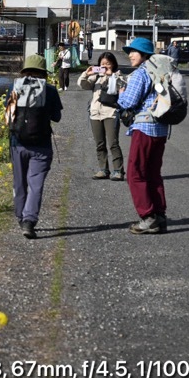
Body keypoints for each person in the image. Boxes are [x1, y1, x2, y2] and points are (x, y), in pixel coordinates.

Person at [6, 53, 63, 239]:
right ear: (44, 72)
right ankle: (29, 221)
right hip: (41, 145)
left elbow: (8, 115)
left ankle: (20, 216)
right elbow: (57, 117)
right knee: (35, 184)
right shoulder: (50, 90)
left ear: (24, 71)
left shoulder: (14, 88)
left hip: (17, 144)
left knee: (19, 183)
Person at [117, 37, 170, 235]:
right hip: (161, 128)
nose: (130, 55)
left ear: (144, 54)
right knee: (153, 173)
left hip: (144, 127)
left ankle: (148, 217)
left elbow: (128, 102)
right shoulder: (163, 71)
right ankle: (160, 215)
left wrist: (121, 93)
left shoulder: (141, 72)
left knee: (135, 173)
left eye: (133, 51)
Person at [76, 51, 125, 181]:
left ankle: (118, 170)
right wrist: (86, 73)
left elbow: (122, 87)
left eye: (108, 63)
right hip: (95, 113)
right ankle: (103, 169)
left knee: (113, 143)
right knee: (99, 143)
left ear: (113, 64)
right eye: (102, 64)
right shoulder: (96, 77)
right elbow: (82, 85)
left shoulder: (118, 76)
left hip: (111, 113)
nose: (105, 66)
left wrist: (111, 75)